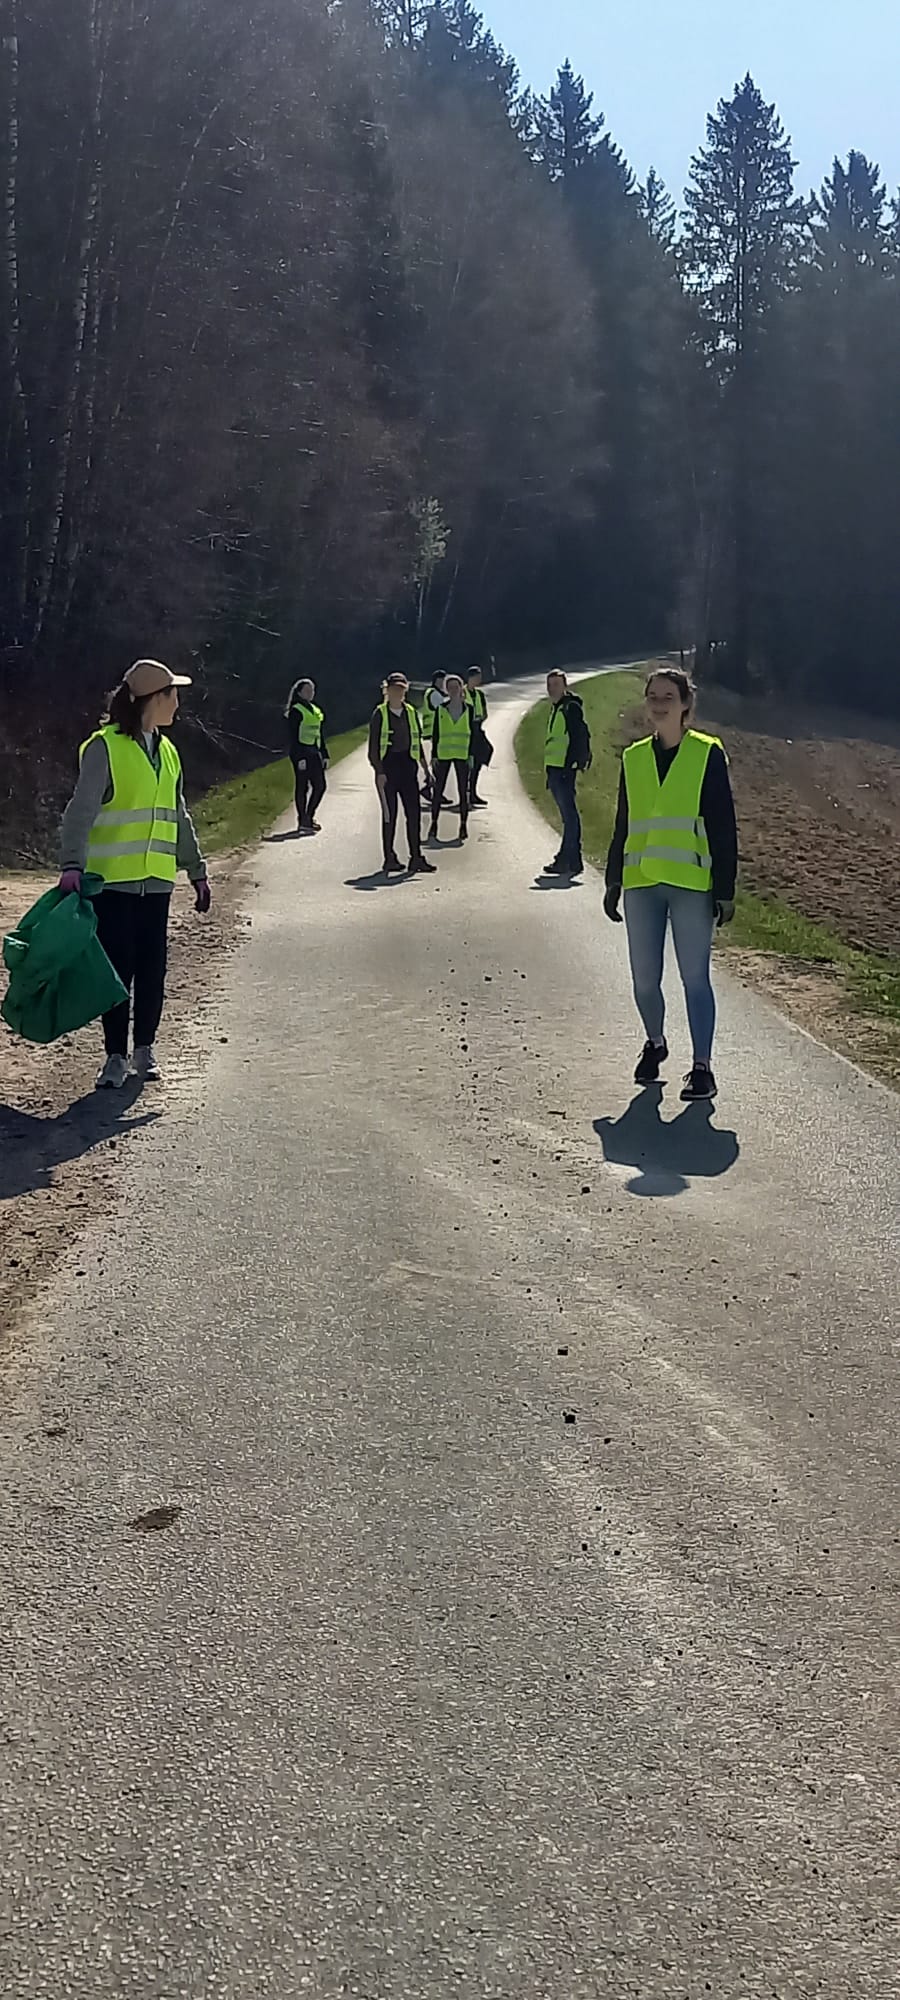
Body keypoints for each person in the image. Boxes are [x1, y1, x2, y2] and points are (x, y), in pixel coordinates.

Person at [58, 659, 210, 1090]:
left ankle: (145, 1050)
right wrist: (72, 865)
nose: (178, 703)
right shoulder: (105, 748)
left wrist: (196, 870)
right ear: (151, 700)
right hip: (113, 882)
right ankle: (114, 1057)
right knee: (118, 970)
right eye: (172, 694)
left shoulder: (168, 752)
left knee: (153, 967)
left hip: (157, 881)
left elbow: (178, 816)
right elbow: (80, 812)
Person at [603, 665, 737, 1102]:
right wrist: (612, 879)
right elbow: (624, 821)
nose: (658, 704)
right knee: (644, 980)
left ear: (685, 706)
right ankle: (656, 1043)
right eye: (653, 696)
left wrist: (725, 888)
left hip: (690, 883)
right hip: (641, 880)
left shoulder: (707, 754)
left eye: (668, 697)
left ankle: (702, 1068)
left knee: (694, 978)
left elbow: (722, 824)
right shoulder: (634, 757)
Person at [367, 673, 436, 877]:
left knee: (413, 814)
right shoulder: (380, 714)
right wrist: (379, 771)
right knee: (390, 815)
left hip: (408, 765)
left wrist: (425, 768)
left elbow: (417, 743)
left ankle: (416, 857)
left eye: (402, 689)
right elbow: (373, 748)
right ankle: (389, 858)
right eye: (395, 689)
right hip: (388, 767)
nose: (399, 692)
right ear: (387, 690)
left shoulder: (411, 713)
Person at [543, 669, 592, 877]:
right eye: (549, 685)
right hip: (556, 769)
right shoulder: (558, 708)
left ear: (565, 686)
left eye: (555, 684)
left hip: (564, 770)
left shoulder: (570, 708)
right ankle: (574, 860)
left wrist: (572, 765)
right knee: (568, 816)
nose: (551, 688)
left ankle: (566, 859)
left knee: (569, 817)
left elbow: (579, 736)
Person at [428, 674, 472, 844]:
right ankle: (434, 824)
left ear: (461, 688)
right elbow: (436, 733)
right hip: (444, 754)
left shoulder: (468, 709)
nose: (453, 690)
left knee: (463, 791)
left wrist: (472, 755)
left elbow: (473, 733)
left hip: (462, 755)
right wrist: (433, 755)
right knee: (438, 791)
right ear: (447, 689)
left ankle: (463, 825)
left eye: (456, 687)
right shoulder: (441, 709)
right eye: (450, 687)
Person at [286, 677, 328, 833]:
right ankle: (303, 820)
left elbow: (319, 734)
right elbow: (293, 736)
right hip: (301, 752)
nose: (311, 693)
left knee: (320, 786)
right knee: (302, 787)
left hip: (314, 751)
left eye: (312, 690)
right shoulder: (296, 711)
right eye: (307, 690)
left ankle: (309, 817)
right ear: (299, 692)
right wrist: (299, 758)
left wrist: (324, 753)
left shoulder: (315, 710)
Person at [419, 672, 448, 801]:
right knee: (438, 761)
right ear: (437, 680)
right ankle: (433, 789)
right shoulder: (434, 694)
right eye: (442, 680)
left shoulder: (431, 692)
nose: (443, 683)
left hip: (432, 731)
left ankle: (432, 788)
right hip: (436, 731)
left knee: (437, 761)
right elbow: (442, 711)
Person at [466, 666, 490, 807]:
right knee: (468, 764)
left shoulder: (479, 695)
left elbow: (484, 712)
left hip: (477, 729)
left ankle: (473, 793)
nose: (479, 680)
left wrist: (480, 718)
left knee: (481, 758)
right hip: (466, 731)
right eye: (477, 677)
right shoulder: (463, 692)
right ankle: (467, 793)